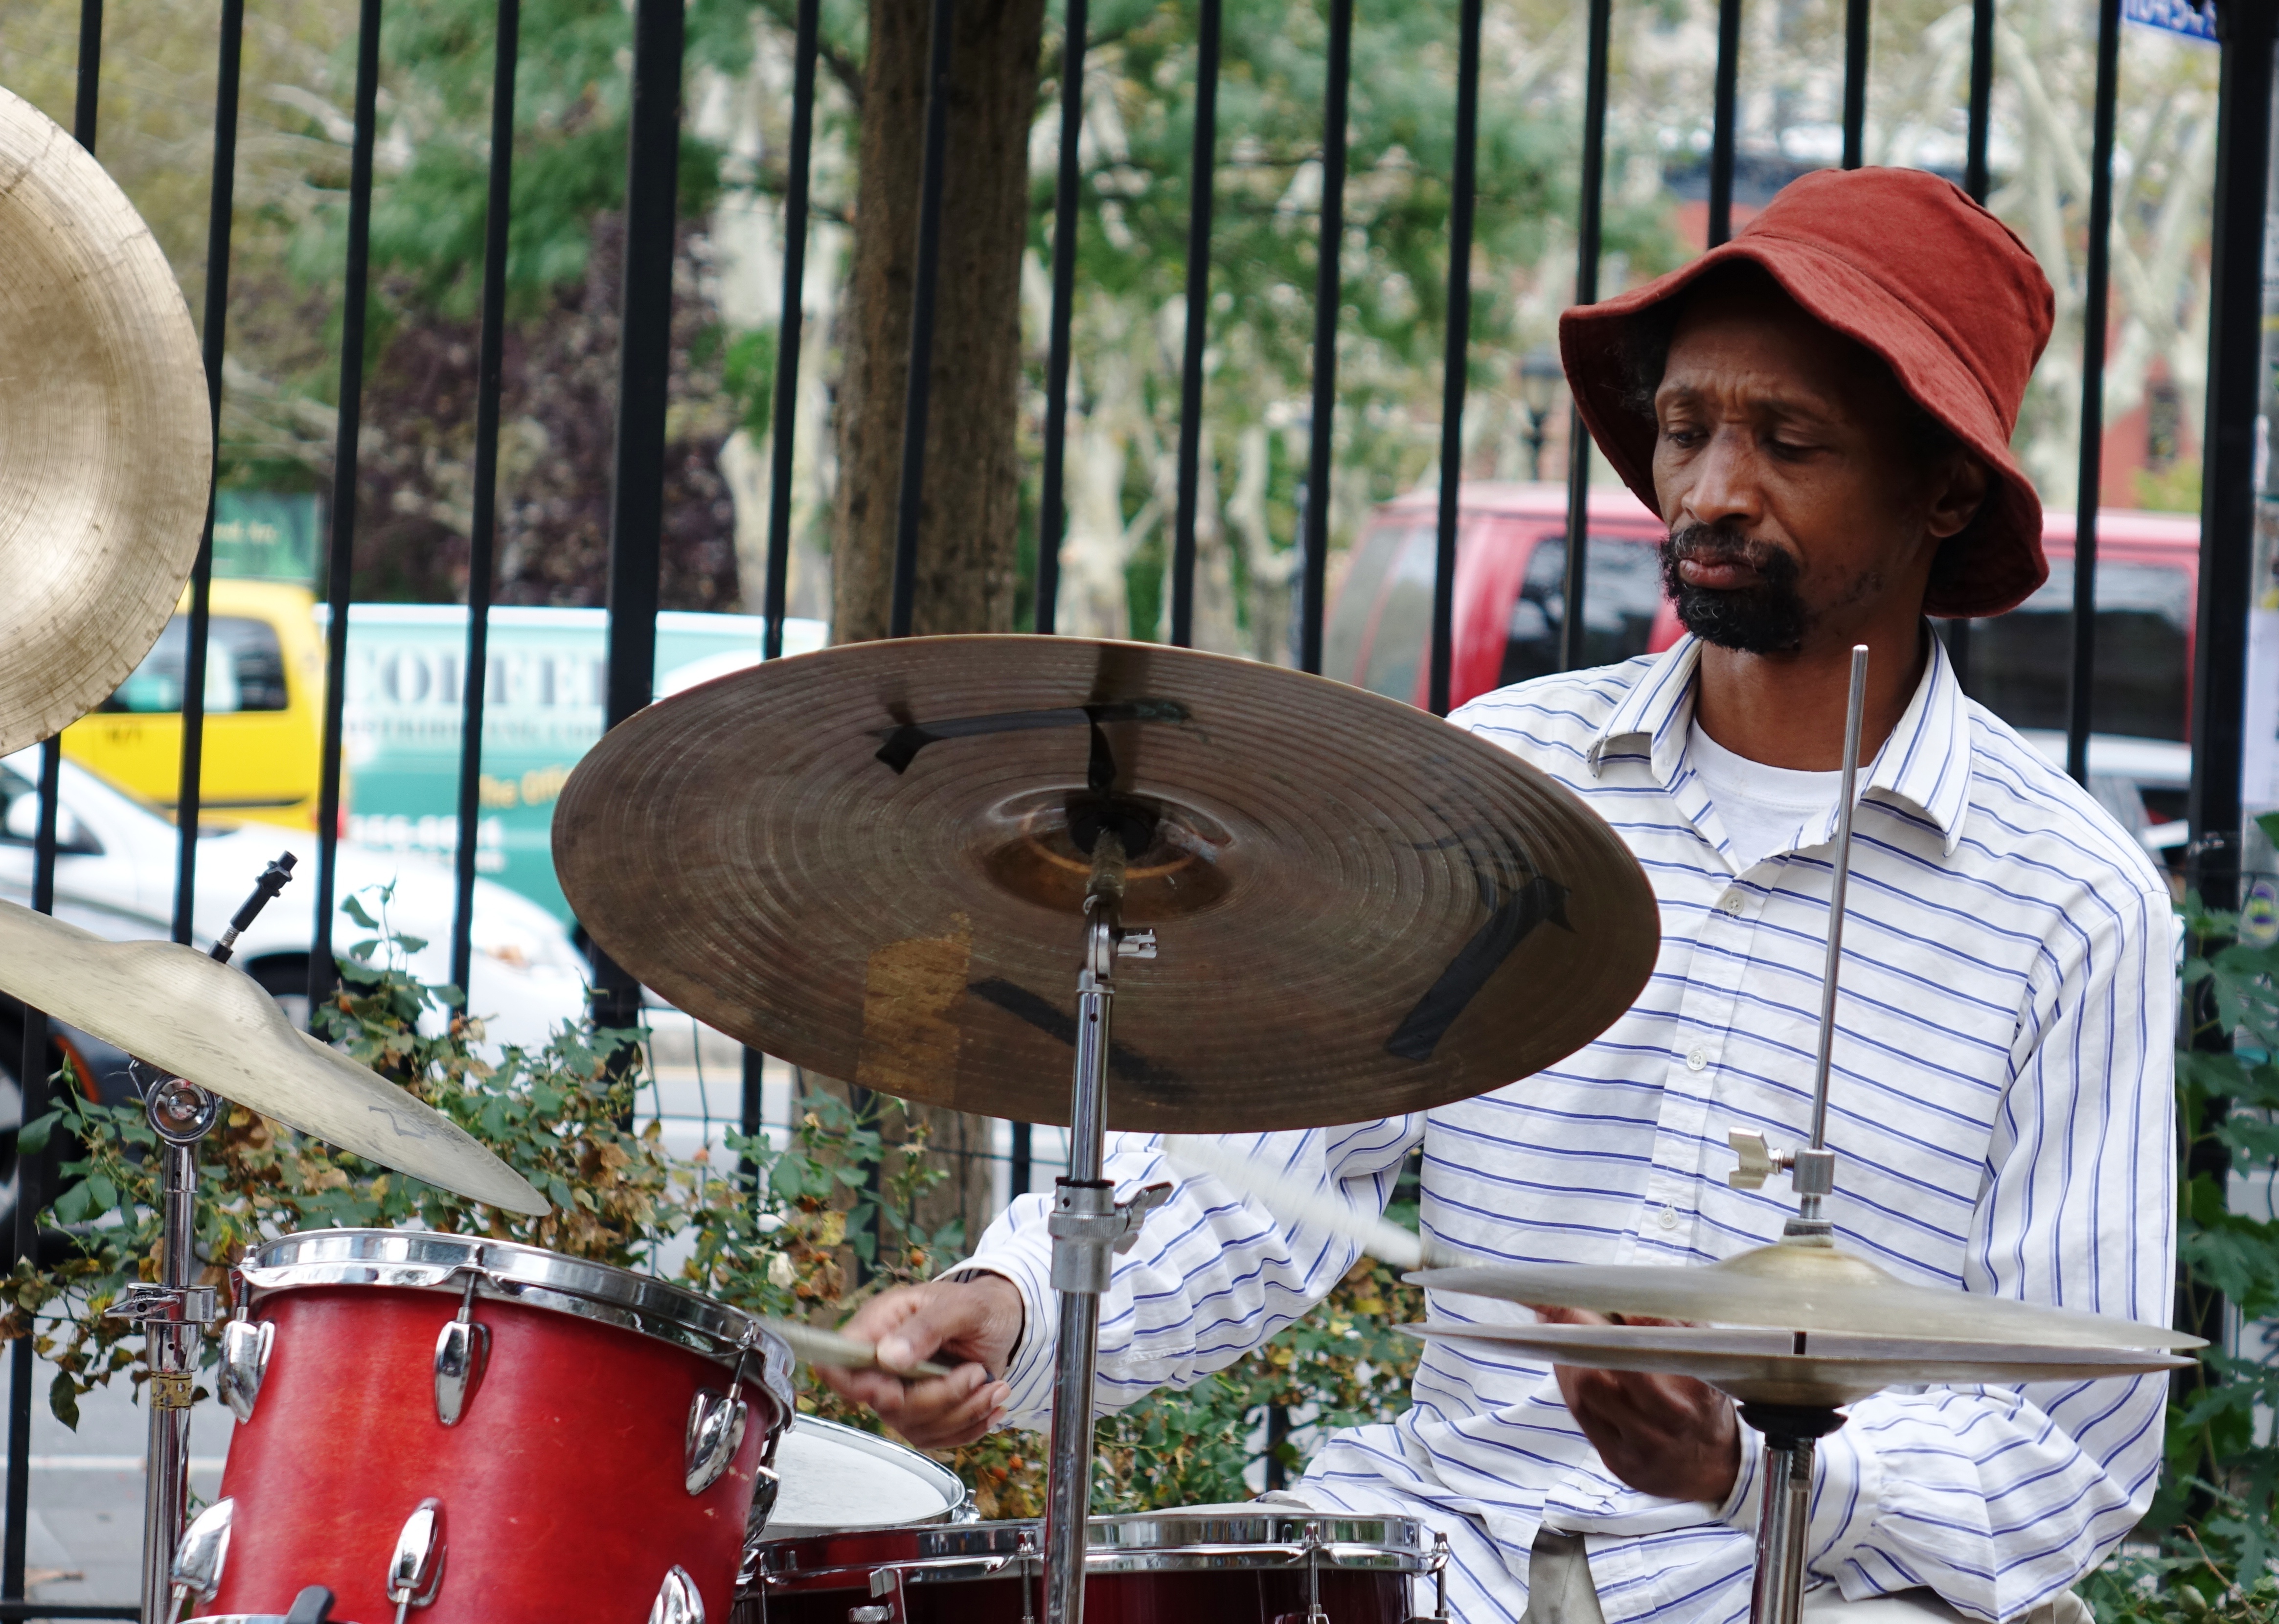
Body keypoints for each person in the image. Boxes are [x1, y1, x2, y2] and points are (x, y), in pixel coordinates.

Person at [822, 168, 2177, 1624]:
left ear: (1946, 489)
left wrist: (1748, 1468)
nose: (1711, 490)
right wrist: (1016, 1307)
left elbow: (2070, 1437)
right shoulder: (1501, 783)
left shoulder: (2068, 901)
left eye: (1787, 442)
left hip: (1800, 1588)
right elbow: (1267, 1180)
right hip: (1445, 1547)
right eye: (1684, 431)